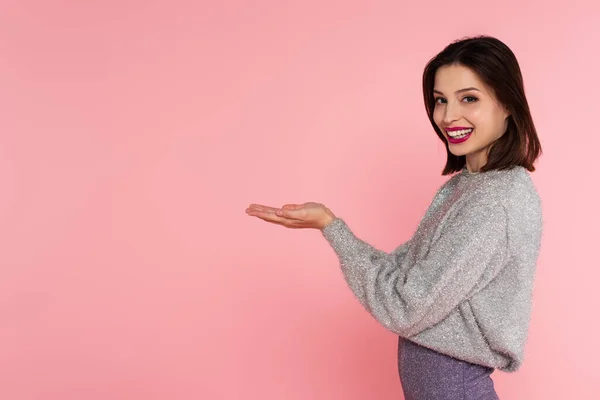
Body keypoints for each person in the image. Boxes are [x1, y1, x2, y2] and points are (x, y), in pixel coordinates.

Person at [245, 35, 543, 400]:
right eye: (440, 100)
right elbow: (405, 274)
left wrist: (332, 229)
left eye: (469, 98)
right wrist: (329, 224)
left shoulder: (496, 200)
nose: (449, 116)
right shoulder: (467, 187)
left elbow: (406, 306)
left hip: (457, 387)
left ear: (508, 104)